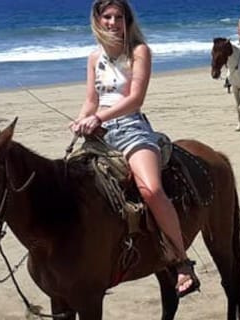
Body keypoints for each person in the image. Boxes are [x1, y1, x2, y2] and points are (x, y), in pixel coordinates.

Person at [71, 0, 200, 297]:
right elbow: (91, 99)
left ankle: (181, 261)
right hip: (99, 134)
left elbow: (135, 98)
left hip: (131, 129)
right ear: (98, 20)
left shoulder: (139, 52)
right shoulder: (94, 58)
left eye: (119, 17)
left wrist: (98, 117)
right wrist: (81, 120)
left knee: (151, 189)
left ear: (127, 21)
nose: (113, 22)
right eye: (108, 17)